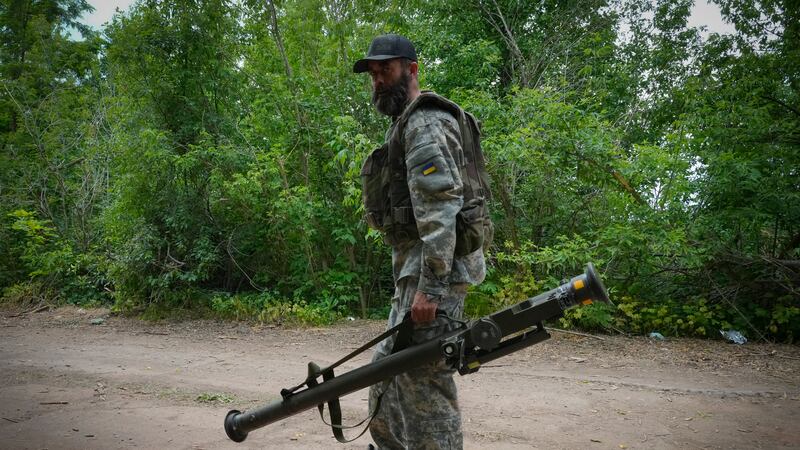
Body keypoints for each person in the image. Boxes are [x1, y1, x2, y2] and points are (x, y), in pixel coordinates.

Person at [354, 34, 486, 450]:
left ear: (411, 69)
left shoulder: (425, 123)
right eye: (373, 74)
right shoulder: (406, 122)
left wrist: (431, 288)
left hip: (434, 277)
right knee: (386, 377)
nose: (377, 81)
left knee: (424, 385)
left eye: (386, 70)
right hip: (416, 272)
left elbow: (440, 208)